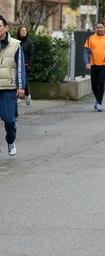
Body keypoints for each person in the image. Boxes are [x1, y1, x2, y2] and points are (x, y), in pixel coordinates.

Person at [0, 15, 26, 156]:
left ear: (6, 27)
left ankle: (10, 141)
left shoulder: (16, 45)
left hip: (8, 88)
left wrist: (20, 86)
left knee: (10, 120)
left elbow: (20, 67)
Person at [83, 21, 105, 112]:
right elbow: (86, 52)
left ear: (104, 28)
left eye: (101, 27)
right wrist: (86, 63)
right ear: (95, 28)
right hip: (93, 64)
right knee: (94, 85)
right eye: (98, 27)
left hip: (104, 65)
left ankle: (99, 103)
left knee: (101, 84)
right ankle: (97, 98)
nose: (99, 29)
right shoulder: (91, 39)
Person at [16, 25, 33, 105]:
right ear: (19, 32)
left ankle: (26, 95)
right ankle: (19, 96)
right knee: (16, 80)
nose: (24, 32)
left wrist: (29, 64)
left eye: (25, 31)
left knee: (23, 80)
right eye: (22, 30)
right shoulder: (16, 42)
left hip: (25, 65)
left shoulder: (29, 43)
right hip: (17, 64)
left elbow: (31, 54)